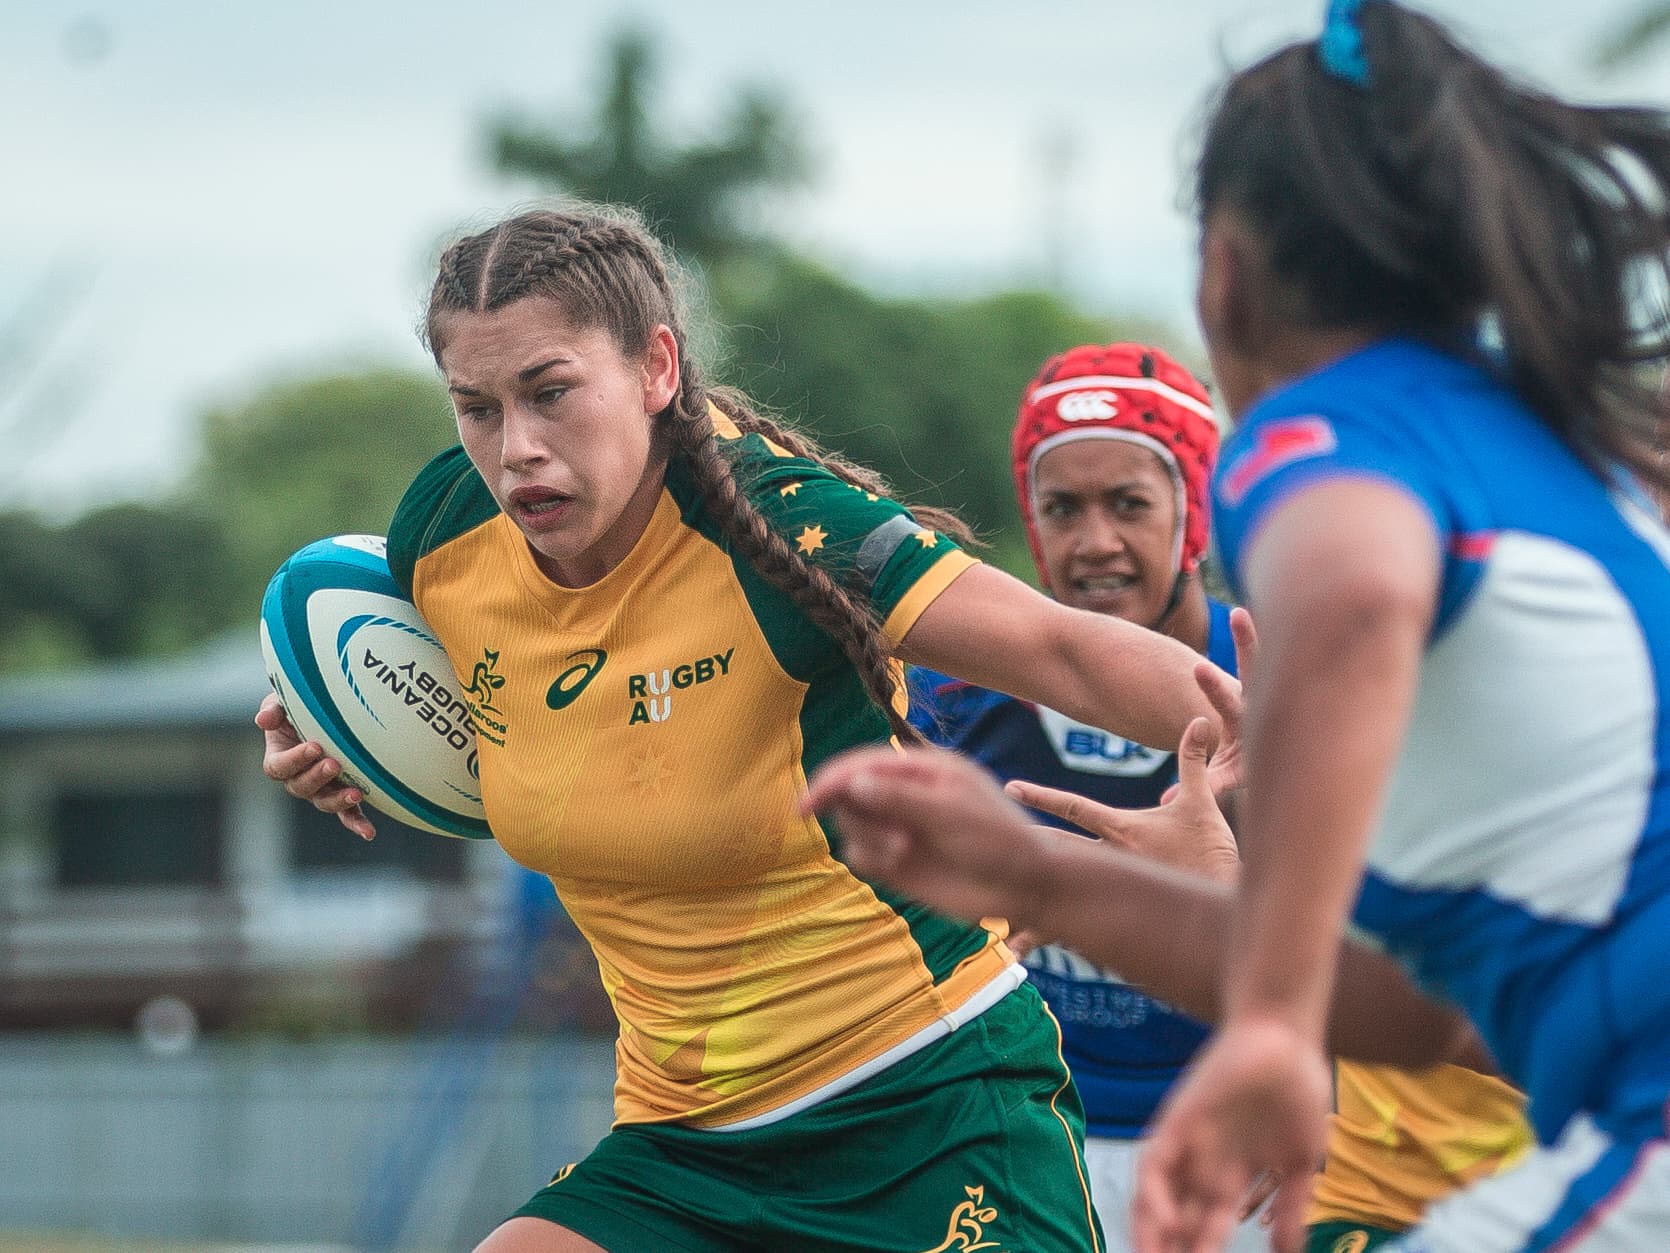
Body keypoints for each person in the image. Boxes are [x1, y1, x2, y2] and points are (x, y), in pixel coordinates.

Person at [804, 2, 1670, 1250]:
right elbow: (1415, 1013)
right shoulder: (1555, 449)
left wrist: (1261, 1019)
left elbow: (1359, 596)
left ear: (1222, 272)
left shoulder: (1328, 436)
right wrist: (1035, 873)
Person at [256, 204, 1231, 1252]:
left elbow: (1064, 649)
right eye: (476, 407)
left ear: (655, 368)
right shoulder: (443, 541)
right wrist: (327, 746)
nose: (517, 448)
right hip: (686, 1147)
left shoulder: (782, 529)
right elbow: (463, 715)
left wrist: (1290, 745)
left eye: (550, 392)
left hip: (925, 1104)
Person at [909, 343, 1529, 1251]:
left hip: (1236, 1148)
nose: (1095, 543)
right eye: (1062, 508)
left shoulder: (1286, 680)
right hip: (1031, 1136)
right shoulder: (954, 693)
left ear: (1194, 514)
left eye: (1129, 503)